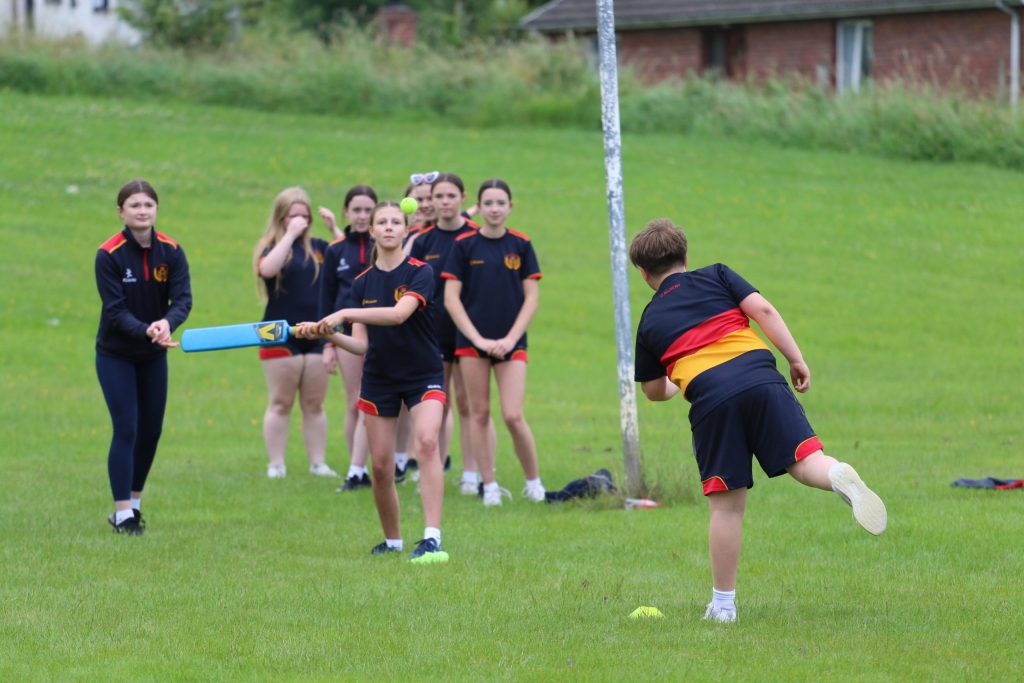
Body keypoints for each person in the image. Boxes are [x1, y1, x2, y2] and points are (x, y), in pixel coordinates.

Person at [629, 219, 887, 624]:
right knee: (805, 461)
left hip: (712, 399)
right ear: (686, 256)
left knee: (727, 509)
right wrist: (795, 359)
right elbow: (763, 310)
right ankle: (837, 474)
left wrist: (682, 376)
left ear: (643, 273)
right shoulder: (717, 274)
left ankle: (723, 607)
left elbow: (652, 390)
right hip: (761, 376)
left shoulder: (649, 320)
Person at [296, 201, 449, 563]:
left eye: (396, 221)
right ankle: (393, 542)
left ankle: (431, 538)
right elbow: (361, 344)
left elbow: (398, 315)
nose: (390, 227)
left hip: (423, 373)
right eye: (383, 222)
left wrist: (342, 313)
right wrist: (327, 334)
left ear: (406, 229)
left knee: (427, 443)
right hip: (380, 377)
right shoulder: (362, 282)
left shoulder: (421, 272)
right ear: (372, 230)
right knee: (380, 466)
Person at [95, 179, 192, 535]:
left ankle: (134, 505)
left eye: (148, 205)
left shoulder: (172, 251)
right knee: (127, 427)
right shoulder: (109, 254)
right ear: (120, 211)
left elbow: (183, 299)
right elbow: (115, 310)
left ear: (156, 209)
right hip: (116, 354)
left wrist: (167, 323)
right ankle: (122, 514)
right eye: (134, 205)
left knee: (151, 431)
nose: (142, 211)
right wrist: (146, 330)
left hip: (153, 354)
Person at [442, 179, 545, 506]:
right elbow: (451, 298)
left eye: (501, 203)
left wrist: (511, 338)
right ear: (479, 206)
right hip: (472, 344)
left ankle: (534, 484)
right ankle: (489, 486)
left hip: (511, 344)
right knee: (479, 413)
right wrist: (477, 339)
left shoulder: (521, 245)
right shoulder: (464, 245)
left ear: (510, 206)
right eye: (488, 203)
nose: (495, 209)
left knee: (513, 414)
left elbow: (531, 298)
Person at [409, 172, 495, 496]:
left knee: (470, 405)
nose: (444, 202)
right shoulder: (423, 240)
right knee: (436, 406)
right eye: (438, 196)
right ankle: (433, 471)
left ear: (462, 198)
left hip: (470, 333)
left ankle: (474, 474)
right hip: (433, 333)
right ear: (430, 201)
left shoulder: (475, 235)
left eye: (450, 196)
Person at [253, 187, 337, 479]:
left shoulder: (320, 248)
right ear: (281, 217)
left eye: (304, 215)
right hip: (277, 332)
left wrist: (334, 229)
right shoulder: (271, 247)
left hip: (316, 333)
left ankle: (318, 463)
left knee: (314, 404)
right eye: (293, 215)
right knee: (281, 401)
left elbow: (350, 262)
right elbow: (267, 270)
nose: (301, 220)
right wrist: (288, 236)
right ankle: (276, 464)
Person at [319, 185, 377, 491]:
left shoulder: (386, 243)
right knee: (355, 401)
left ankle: (390, 463)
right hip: (347, 334)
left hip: (382, 331)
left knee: (379, 399)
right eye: (357, 210)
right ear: (346, 212)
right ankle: (357, 468)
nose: (363, 216)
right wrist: (328, 344)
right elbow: (326, 299)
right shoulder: (336, 250)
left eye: (368, 210)